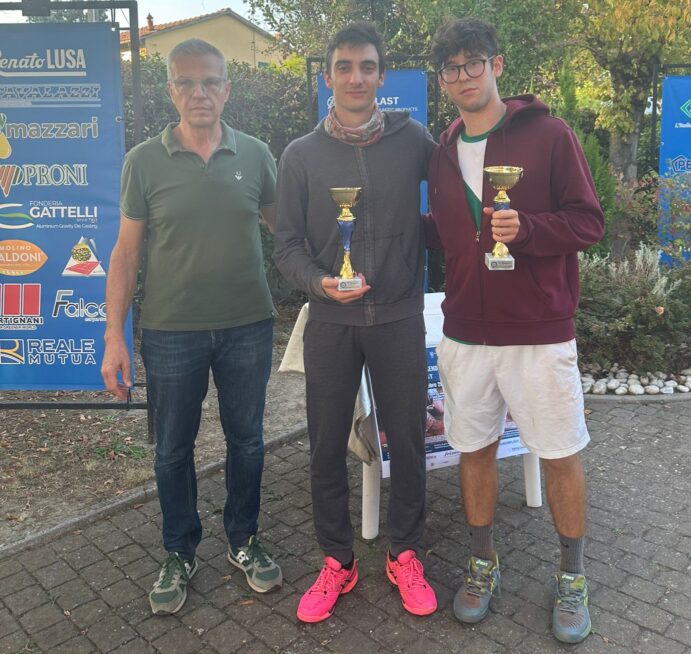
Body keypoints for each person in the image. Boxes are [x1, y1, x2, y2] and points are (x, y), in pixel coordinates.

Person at [426, 18, 604, 643]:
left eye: (473, 63)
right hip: (466, 333)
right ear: (442, 80)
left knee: (559, 452)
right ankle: (482, 563)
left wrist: (526, 231)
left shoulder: (548, 134)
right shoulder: (443, 151)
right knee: (471, 449)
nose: (462, 77)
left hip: (537, 330)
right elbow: (449, 235)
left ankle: (573, 575)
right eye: (450, 68)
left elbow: (588, 222)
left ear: (497, 66)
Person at [101, 39, 282, 616]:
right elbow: (126, 255)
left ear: (228, 89)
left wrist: (348, 261)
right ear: (171, 91)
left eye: (211, 82)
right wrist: (114, 336)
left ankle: (243, 541)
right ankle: (179, 550)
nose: (200, 92)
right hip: (170, 332)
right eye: (187, 82)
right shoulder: (143, 162)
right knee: (172, 450)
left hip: (248, 327)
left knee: (247, 441)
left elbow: (289, 232)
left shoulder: (256, 155)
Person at [273, 22, 437, 623]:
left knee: (409, 441)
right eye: (344, 67)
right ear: (327, 77)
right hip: (331, 322)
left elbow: (458, 187)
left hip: (396, 316)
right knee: (323, 445)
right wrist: (320, 283)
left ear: (381, 77)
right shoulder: (300, 156)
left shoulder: (413, 139)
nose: (356, 77)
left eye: (367, 67)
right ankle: (336, 561)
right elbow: (286, 245)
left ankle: (405, 553)